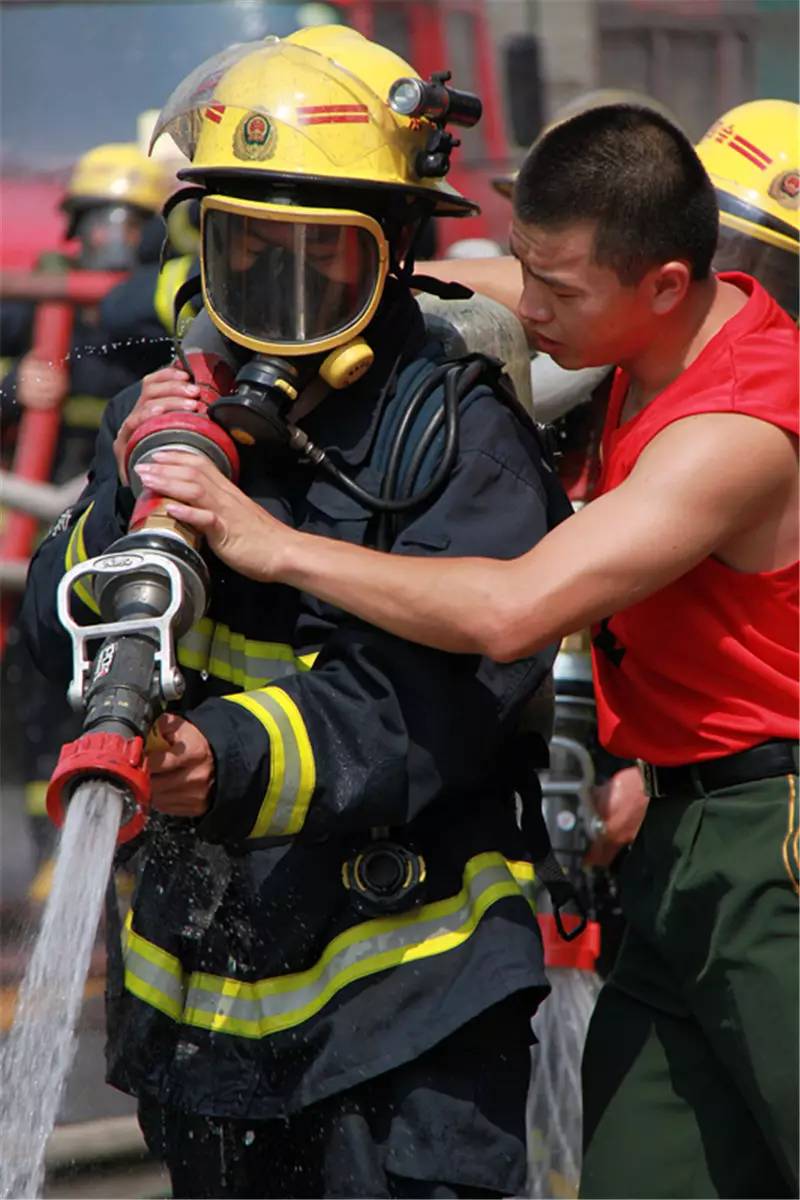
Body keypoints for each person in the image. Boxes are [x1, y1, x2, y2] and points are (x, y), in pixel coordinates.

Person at [139, 102, 799, 1199]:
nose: (527, 310)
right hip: (680, 838)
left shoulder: (731, 434)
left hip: (769, 843)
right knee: (640, 1172)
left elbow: (510, 612)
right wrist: (240, 282)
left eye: (557, 291)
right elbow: (421, 277)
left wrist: (269, 542)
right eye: (525, 271)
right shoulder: (645, 316)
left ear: (662, 287)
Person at [22, 26, 572, 1199]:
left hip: (407, 1008)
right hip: (205, 1012)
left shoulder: (454, 441)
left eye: (318, 259)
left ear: (394, 258)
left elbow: (435, 704)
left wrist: (214, 760)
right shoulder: (170, 416)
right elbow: (49, 636)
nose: (275, 296)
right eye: (244, 254)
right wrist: (129, 487)